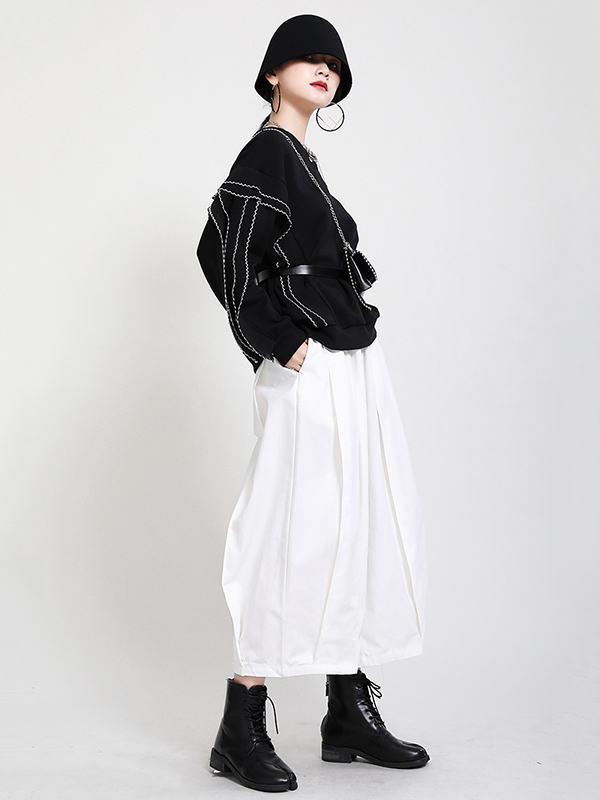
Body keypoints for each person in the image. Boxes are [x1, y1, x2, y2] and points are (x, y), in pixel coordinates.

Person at [197, 14, 429, 793]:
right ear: (273, 73)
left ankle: (345, 711)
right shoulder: (268, 151)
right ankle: (239, 726)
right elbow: (221, 248)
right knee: (290, 529)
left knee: (352, 523)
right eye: (307, 58)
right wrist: (277, 338)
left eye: (333, 62)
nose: (323, 69)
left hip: (348, 355)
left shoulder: (299, 157)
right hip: (312, 362)